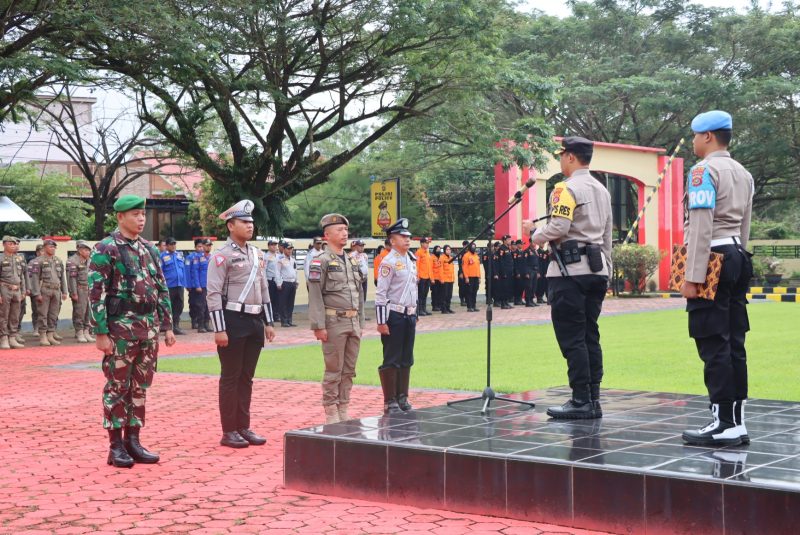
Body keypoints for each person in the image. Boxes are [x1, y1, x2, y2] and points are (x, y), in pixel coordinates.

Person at [680, 111, 754, 447]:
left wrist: (692, 275)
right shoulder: (743, 173)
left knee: (713, 341)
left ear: (708, 136)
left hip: (712, 258)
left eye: (695, 135)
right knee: (735, 341)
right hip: (737, 254)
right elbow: (744, 225)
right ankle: (736, 421)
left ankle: (722, 421)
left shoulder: (702, 171)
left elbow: (701, 225)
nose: (693, 141)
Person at [526, 136, 612, 419]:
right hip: (596, 270)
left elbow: (559, 227)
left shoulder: (565, 188)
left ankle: (580, 400)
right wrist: (607, 270)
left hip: (569, 272)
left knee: (572, 338)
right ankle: (593, 398)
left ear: (571, 157)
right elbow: (607, 235)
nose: (560, 160)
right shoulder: (602, 190)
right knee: (590, 335)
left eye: (562, 155)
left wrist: (534, 234)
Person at [89, 195, 176, 468]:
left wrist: (167, 325)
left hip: (148, 329)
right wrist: (101, 332)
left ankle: (133, 441)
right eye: (135, 214)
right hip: (120, 331)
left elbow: (161, 287)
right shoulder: (106, 248)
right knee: (117, 387)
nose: (141, 219)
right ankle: (115, 445)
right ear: (120, 217)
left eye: (143, 214)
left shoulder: (149, 249)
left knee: (140, 387)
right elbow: (96, 293)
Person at [206, 200, 276, 448]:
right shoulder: (221, 255)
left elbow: (264, 288)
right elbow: (213, 293)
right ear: (230, 225)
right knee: (230, 377)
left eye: (251, 222)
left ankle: (243, 426)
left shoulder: (257, 254)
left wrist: (269, 322)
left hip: (255, 321)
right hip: (232, 320)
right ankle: (229, 431)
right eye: (244, 222)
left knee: (247, 377)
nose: (250, 226)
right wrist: (219, 328)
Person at [308, 214, 365, 424]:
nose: (344, 233)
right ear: (327, 235)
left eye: (346, 230)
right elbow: (315, 295)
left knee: (349, 369)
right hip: (333, 322)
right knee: (334, 369)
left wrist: (361, 321)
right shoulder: (320, 261)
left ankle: (344, 407)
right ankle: (331, 410)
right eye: (339, 230)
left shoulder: (351, 260)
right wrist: (318, 325)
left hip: (353, 321)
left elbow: (359, 293)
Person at [375, 218, 419, 414]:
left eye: (408, 236)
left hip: (409, 314)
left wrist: (415, 310)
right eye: (402, 236)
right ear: (392, 241)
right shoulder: (388, 262)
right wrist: (381, 321)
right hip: (394, 315)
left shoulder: (411, 259)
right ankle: (390, 401)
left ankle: (402, 397)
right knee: (392, 357)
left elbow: (413, 288)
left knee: (407, 357)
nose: (407, 239)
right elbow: (381, 293)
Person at [28, 239, 67, 346]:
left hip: (56, 290)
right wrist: (37, 293)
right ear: (45, 247)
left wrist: (64, 291)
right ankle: (43, 336)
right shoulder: (38, 261)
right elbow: (35, 279)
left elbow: (62, 277)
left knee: (53, 314)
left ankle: (50, 334)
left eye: (54, 247)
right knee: (43, 314)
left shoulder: (58, 260)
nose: (53, 249)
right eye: (51, 247)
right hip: (45, 289)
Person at [0, 236, 27, 349]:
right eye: (10, 244)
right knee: (3, 314)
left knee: (15, 315)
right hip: (4, 288)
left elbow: (22, 276)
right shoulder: (1, 258)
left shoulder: (18, 259)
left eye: (14, 244)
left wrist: (23, 291)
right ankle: (3, 338)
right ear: (4, 245)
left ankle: (12, 337)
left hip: (17, 290)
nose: (13, 246)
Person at [67, 240, 94, 343]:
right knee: (79, 312)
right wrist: (73, 292)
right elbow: (71, 279)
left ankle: (86, 331)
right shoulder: (72, 261)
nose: (88, 252)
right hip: (79, 289)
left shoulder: (89, 260)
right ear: (79, 250)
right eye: (86, 250)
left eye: (88, 250)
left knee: (88, 312)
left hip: (89, 289)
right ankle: (79, 332)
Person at [160, 237, 188, 335]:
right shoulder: (162, 256)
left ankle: (176, 326)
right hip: (169, 285)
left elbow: (183, 270)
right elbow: (160, 271)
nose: (173, 246)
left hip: (179, 284)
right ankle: (168, 327)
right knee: (169, 306)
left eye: (174, 244)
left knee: (179, 305)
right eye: (171, 244)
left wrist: (185, 283)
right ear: (167, 246)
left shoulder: (179, 255)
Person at [276, 242, 298, 327]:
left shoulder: (293, 259)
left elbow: (295, 271)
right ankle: (284, 321)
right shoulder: (280, 259)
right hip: (284, 283)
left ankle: (289, 320)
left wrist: (297, 281)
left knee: (291, 303)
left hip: (292, 282)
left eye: (291, 249)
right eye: (288, 249)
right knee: (283, 303)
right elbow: (277, 272)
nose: (290, 250)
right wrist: (278, 283)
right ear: (284, 249)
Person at [186, 239, 204, 331]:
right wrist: (188, 284)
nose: (201, 248)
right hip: (193, 285)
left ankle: (201, 322)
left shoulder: (205, 257)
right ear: (195, 247)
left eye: (202, 246)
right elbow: (187, 271)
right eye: (199, 246)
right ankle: (194, 321)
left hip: (202, 285)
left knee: (202, 305)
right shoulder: (189, 257)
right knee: (193, 304)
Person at [264, 239, 281, 324]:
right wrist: (265, 281)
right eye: (272, 245)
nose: (274, 246)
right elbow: (264, 269)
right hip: (270, 280)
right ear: (268, 246)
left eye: (275, 245)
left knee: (277, 299)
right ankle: (269, 316)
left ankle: (276, 315)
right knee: (270, 299)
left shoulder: (279, 256)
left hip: (277, 280)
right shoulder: (266, 256)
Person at [462, 242, 481, 312]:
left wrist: (479, 277)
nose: (474, 248)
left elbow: (478, 267)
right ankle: (469, 307)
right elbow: (464, 267)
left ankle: (474, 305)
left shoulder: (476, 256)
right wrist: (466, 277)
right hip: (469, 277)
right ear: (469, 247)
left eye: (474, 247)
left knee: (475, 291)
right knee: (469, 292)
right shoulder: (466, 256)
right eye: (472, 247)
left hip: (476, 276)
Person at [349, 239, 369, 306]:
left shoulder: (365, 255)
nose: (362, 247)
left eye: (363, 246)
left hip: (365, 278)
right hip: (356, 279)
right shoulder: (351, 255)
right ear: (356, 246)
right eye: (360, 246)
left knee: (364, 295)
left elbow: (366, 265)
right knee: (357, 296)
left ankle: (362, 309)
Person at [496, 235, 514, 309]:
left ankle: (506, 302)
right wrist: (503, 272)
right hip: (504, 271)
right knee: (504, 287)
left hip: (509, 271)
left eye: (510, 239)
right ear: (504, 240)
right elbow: (501, 261)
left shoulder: (508, 248)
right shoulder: (501, 248)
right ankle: (503, 303)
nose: (510, 241)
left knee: (508, 287)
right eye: (508, 239)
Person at [415, 237, 432, 315]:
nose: (427, 244)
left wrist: (431, 277)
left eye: (428, 243)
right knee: (420, 294)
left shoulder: (427, 253)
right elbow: (416, 265)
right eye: (426, 243)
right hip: (421, 277)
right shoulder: (418, 252)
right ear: (422, 243)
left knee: (425, 294)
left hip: (427, 276)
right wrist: (417, 276)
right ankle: (419, 310)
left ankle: (424, 309)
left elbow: (429, 266)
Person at [439, 245, 455, 314]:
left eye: (449, 249)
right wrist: (441, 279)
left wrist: (453, 278)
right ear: (444, 250)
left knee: (449, 295)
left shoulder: (451, 258)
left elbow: (452, 270)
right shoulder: (442, 258)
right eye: (447, 249)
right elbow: (440, 269)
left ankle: (448, 308)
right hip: (444, 279)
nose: (449, 251)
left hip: (450, 279)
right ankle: (444, 309)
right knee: (444, 295)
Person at [523, 240, 539, 307]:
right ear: (530, 242)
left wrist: (538, 272)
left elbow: (537, 261)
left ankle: (532, 300)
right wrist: (526, 273)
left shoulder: (535, 251)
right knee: (529, 286)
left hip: (535, 270)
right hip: (529, 270)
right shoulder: (526, 251)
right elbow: (524, 262)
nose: (535, 243)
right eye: (533, 242)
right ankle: (528, 301)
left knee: (534, 286)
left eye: (535, 242)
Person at [430, 245, 443, 312]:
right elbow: (430, 269)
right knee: (434, 293)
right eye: (437, 249)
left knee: (440, 293)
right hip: (434, 279)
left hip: (440, 279)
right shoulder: (432, 258)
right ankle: (434, 306)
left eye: (439, 249)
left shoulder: (441, 257)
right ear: (434, 250)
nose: (438, 250)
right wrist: (432, 279)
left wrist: (442, 278)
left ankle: (439, 305)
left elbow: (442, 269)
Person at [457, 240, 469, 306]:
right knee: (462, 287)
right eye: (466, 245)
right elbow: (460, 264)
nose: (467, 247)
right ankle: (462, 300)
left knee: (467, 286)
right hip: (462, 272)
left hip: (468, 272)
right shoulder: (461, 253)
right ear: (464, 246)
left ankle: (467, 300)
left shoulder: (469, 253)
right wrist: (461, 273)